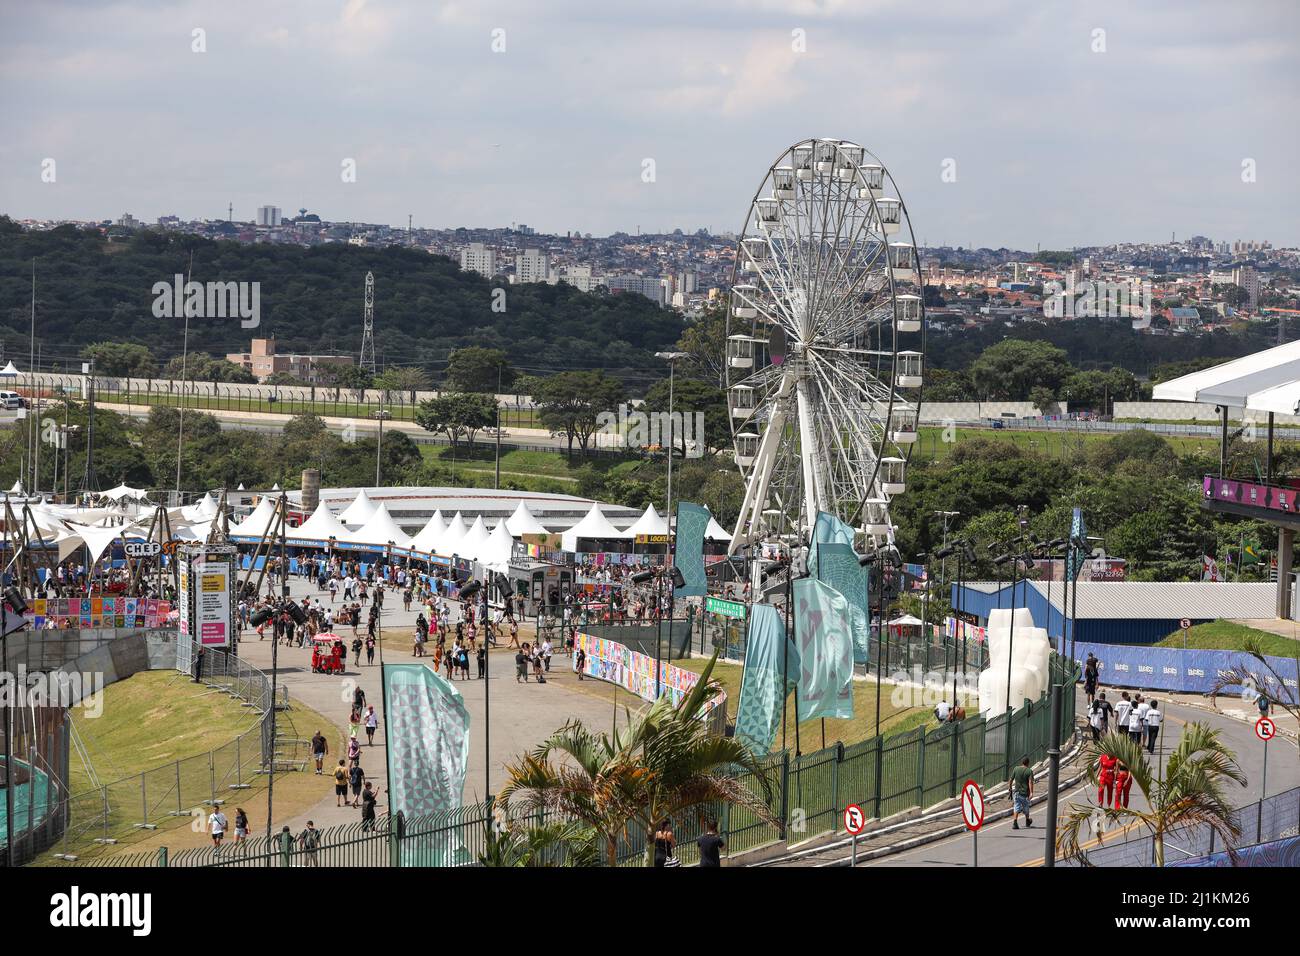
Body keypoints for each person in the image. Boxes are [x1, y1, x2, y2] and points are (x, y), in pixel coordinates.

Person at [1009, 756, 1033, 829]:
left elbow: (1011, 779)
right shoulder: (1029, 771)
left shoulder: (1016, 769)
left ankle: (1015, 822)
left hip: (1016, 793)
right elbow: (1030, 782)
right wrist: (1031, 792)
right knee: (1026, 808)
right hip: (1025, 794)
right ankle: (1027, 820)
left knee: (1016, 807)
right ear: (1028, 763)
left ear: (1022, 762)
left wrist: (1010, 788)